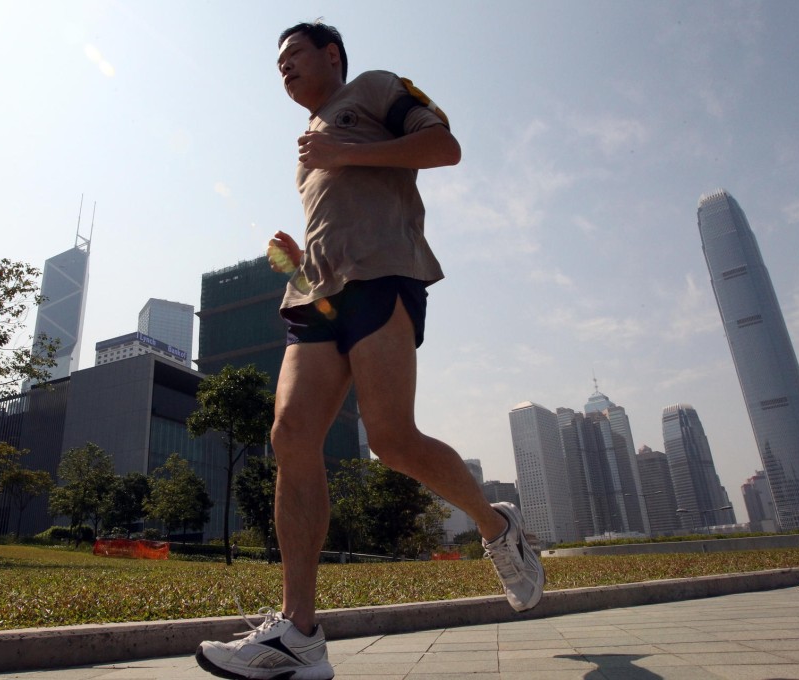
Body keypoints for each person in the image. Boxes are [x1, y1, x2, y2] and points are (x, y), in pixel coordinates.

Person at [197, 21, 545, 680]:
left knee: (390, 439)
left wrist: (344, 154)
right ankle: (298, 634)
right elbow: (334, 214)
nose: (284, 69)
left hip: (384, 272)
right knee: (290, 434)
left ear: (331, 55)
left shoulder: (376, 89)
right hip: (315, 296)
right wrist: (296, 265)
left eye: (293, 55)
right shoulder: (306, 148)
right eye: (278, 63)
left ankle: (497, 526)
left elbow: (446, 147)